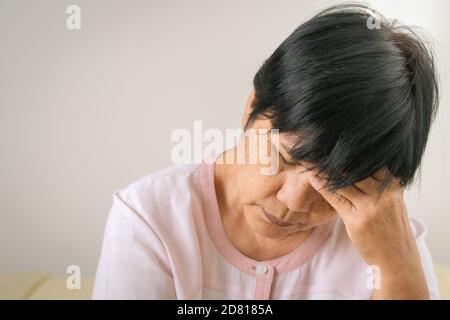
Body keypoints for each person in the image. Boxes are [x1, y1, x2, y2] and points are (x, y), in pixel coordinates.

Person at [93, 4, 441, 299]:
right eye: (284, 157)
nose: (294, 202)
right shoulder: (149, 218)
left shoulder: (385, 238)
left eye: (334, 186)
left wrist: (396, 266)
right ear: (252, 108)